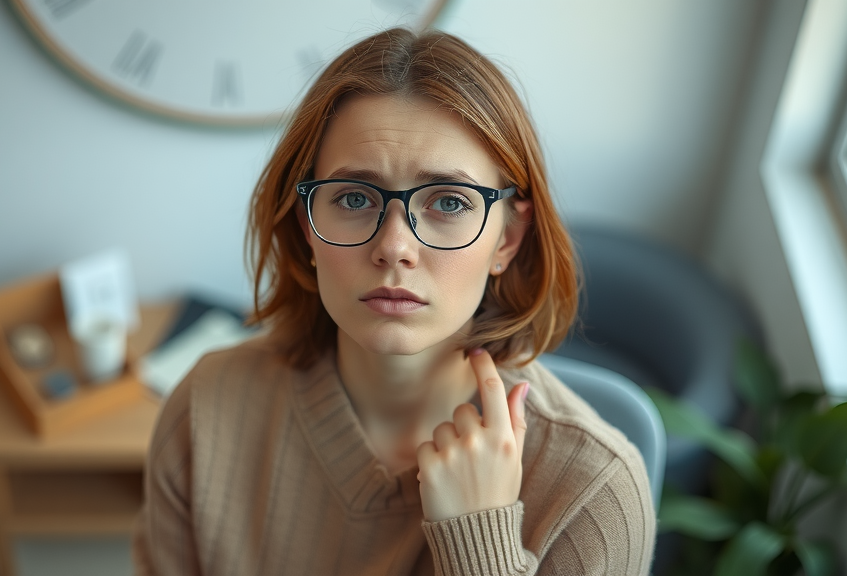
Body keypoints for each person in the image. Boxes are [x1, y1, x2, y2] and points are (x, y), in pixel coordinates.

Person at [133, 27, 655, 576]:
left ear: (507, 238)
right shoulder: (205, 411)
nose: (394, 248)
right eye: (355, 197)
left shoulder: (594, 496)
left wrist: (478, 543)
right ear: (307, 227)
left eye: (449, 202)